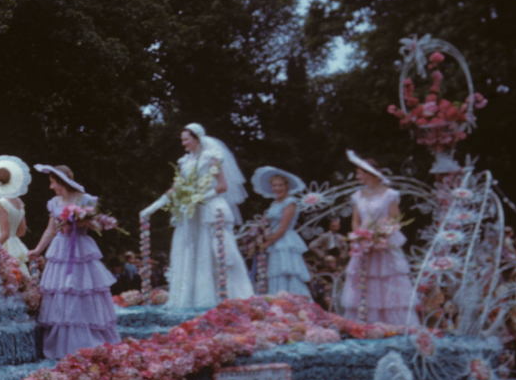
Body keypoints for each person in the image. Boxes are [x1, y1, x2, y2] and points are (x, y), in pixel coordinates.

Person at [141, 124, 253, 309]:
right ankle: (193, 299)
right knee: (191, 253)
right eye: (182, 139)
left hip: (209, 208)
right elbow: (176, 188)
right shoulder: (184, 161)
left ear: (197, 138)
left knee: (214, 251)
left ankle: (226, 298)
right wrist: (154, 206)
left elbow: (222, 186)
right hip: (191, 213)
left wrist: (200, 197)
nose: (183, 143)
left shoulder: (212, 158)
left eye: (186, 139)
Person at [26, 164, 119, 357]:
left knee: (82, 290)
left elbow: (96, 225)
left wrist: (82, 220)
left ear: (62, 182)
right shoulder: (54, 202)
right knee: (61, 291)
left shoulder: (85, 199)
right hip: (61, 248)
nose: (51, 187)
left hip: (81, 248)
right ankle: (62, 344)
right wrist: (38, 249)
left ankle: (88, 340)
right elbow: (51, 229)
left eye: (53, 182)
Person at [339, 152, 414, 324]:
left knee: (386, 279)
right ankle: (365, 322)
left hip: (383, 242)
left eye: (360, 172)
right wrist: (359, 237)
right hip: (364, 244)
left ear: (369, 173)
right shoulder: (358, 195)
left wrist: (382, 234)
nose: (357, 176)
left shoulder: (390, 195)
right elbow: (355, 220)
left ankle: (392, 323)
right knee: (365, 281)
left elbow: (395, 219)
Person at [249, 166, 312, 297]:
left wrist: (266, 244)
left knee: (286, 272)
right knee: (274, 274)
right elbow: (265, 223)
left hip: (284, 241)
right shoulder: (274, 203)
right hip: (273, 240)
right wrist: (258, 236)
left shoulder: (290, 202)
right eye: (274, 186)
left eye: (280, 185)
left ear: (287, 186)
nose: (277, 188)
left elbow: (283, 227)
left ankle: (292, 301)